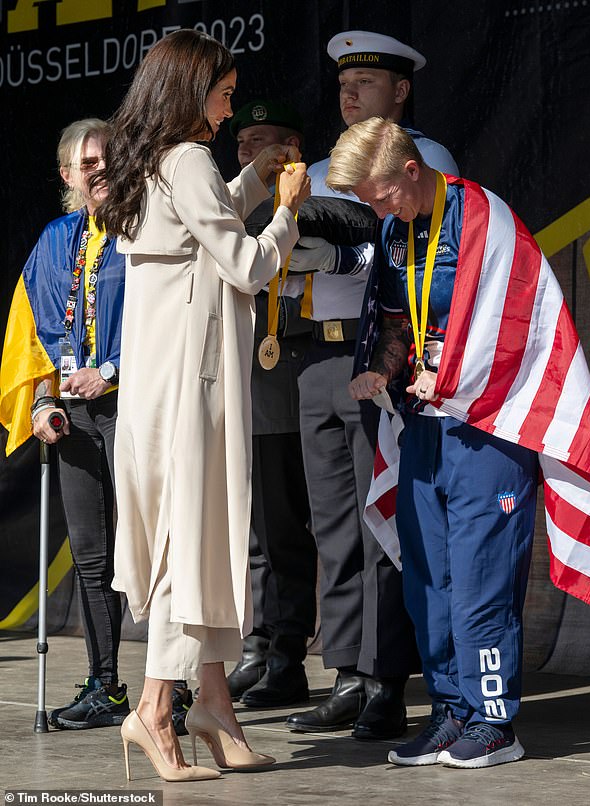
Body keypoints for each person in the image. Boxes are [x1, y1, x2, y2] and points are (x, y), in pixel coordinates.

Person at [327, 117, 590, 768]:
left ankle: (495, 721)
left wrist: (453, 376)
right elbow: (399, 317)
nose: (376, 211)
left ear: (411, 171)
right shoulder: (394, 228)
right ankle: (450, 713)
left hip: (489, 428)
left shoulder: (486, 219)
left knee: (479, 582)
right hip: (425, 425)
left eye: (380, 196)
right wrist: (386, 365)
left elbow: (517, 324)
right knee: (427, 581)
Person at [97, 29, 310, 782]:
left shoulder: (156, 162)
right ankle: (156, 707)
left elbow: (201, 222)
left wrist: (251, 180)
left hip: (164, 385)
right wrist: (283, 208)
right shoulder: (186, 159)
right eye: (223, 94)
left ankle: (212, 704)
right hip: (193, 386)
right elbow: (246, 263)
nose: (227, 112)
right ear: (193, 90)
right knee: (193, 540)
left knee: (200, 537)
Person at [284, 31, 459, 741]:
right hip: (317, 357)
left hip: (380, 355)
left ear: (401, 91)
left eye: (367, 82)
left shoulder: (424, 158)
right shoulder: (320, 166)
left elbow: (410, 244)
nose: (350, 92)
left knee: (380, 518)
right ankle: (348, 673)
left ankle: (387, 677)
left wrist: (340, 249)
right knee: (333, 528)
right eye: (344, 82)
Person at [0, 119, 129, 730]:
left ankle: (177, 688)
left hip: (138, 405)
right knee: (91, 556)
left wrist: (114, 369)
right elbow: (33, 341)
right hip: (75, 417)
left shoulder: (142, 228)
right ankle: (106, 686)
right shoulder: (54, 240)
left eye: (106, 159)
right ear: (67, 175)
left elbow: (173, 321)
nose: (98, 170)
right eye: (87, 163)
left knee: (154, 552)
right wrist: (41, 404)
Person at [225, 100, 317, 709]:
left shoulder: (305, 193)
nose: (253, 152)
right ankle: (255, 644)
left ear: (293, 144)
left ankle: (288, 653)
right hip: (243, 376)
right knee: (251, 527)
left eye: (266, 140)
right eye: (243, 143)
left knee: (284, 525)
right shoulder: (231, 198)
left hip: (289, 364)